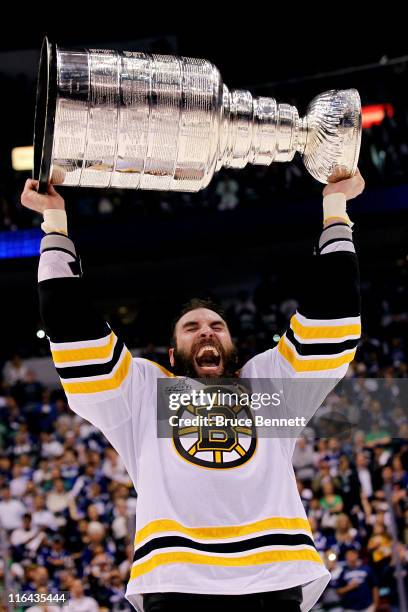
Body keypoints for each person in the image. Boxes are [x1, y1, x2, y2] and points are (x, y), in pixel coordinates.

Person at [21, 170, 365, 612]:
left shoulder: (267, 385)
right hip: (177, 582)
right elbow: (73, 332)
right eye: (193, 327)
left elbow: (333, 316)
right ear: (172, 353)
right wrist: (55, 224)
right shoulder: (146, 393)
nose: (207, 331)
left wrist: (336, 210)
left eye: (216, 326)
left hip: (275, 578)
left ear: (232, 346)